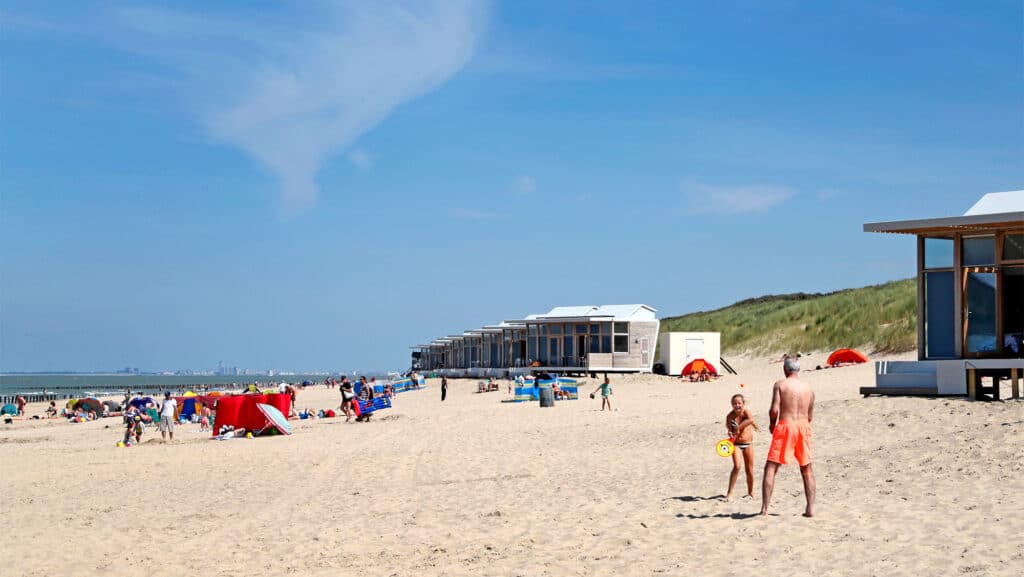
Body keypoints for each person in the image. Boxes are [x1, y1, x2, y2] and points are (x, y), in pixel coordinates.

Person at [761, 356, 816, 517]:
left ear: (785, 369)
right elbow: (810, 415)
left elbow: (774, 410)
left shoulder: (780, 384)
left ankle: (765, 508)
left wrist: (772, 424)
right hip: (803, 426)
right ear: (798, 369)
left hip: (786, 424)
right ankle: (810, 508)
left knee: (771, 467)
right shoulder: (808, 388)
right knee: (806, 467)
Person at [725, 394, 758, 501]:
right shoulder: (730, 417)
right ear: (732, 405)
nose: (737, 405)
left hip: (748, 444)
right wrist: (730, 433)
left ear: (743, 404)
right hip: (736, 445)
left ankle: (751, 492)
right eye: (734, 403)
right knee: (737, 466)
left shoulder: (746, 413)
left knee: (749, 470)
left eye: (739, 403)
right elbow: (730, 430)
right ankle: (729, 493)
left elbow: (751, 420)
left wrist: (738, 427)